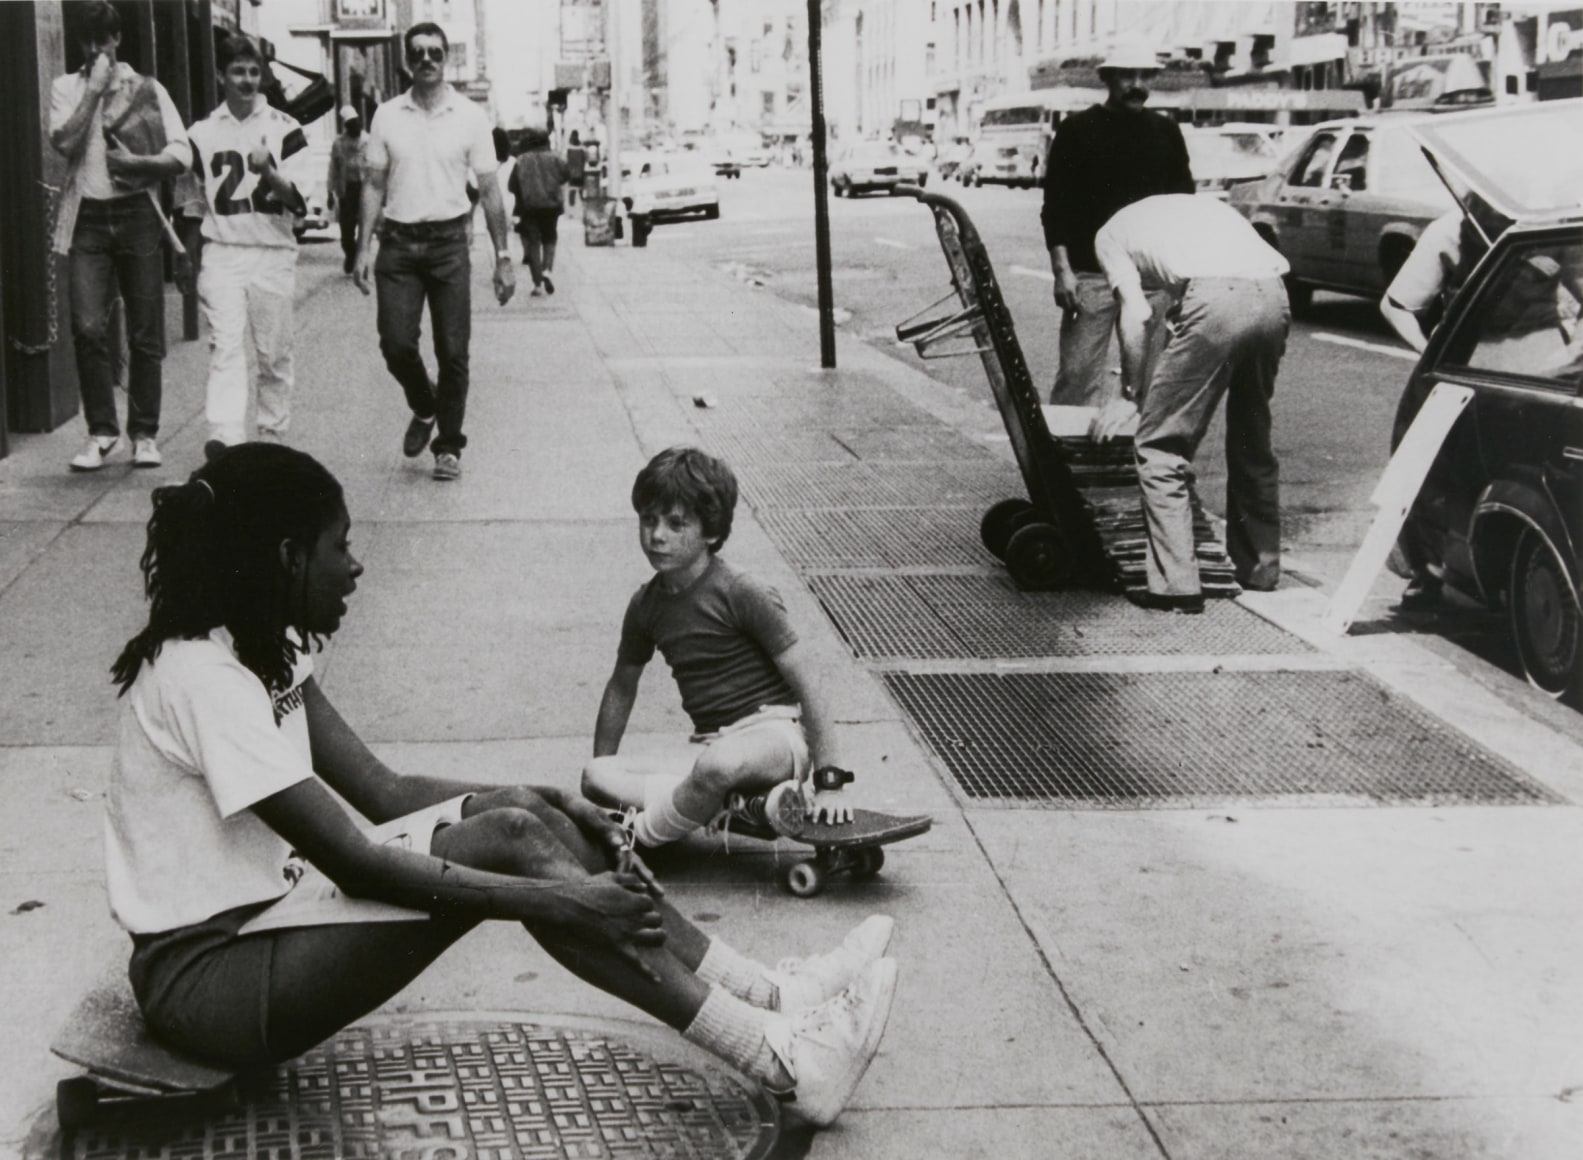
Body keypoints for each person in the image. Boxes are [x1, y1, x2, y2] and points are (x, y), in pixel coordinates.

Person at [106, 442, 899, 1128]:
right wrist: (559, 898)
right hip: (209, 980)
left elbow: (383, 788)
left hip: (273, 924)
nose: (354, 565)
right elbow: (353, 858)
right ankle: (781, 1060)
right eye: (337, 546)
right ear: (285, 556)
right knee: (516, 845)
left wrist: (545, 795)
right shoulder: (201, 676)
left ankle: (765, 995)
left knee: (527, 814)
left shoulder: (261, 641)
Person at [582, 448, 857, 853]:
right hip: (709, 746)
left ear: (710, 531)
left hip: (773, 739)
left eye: (676, 524)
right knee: (594, 776)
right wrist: (605, 794)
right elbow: (622, 687)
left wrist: (829, 781)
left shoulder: (741, 591)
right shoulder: (645, 606)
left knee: (718, 766)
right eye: (648, 520)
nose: (657, 535)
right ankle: (748, 807)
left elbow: (808, 683)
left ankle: (636, 840)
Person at [1088, 194, 1291, 611]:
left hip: (1216, 299)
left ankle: (1175, 585)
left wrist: (1130, 395)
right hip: (1273, 296)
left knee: (1159, 446)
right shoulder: (1193, 207)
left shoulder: (1108, 234)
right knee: (1253, 436)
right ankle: (1260, 568)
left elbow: (1138, 313)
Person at [353, 21, 517, 483]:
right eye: (418, 53)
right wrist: (362, 249)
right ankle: (424, 404)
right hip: (399, 245)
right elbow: (373, 184)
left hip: (448, 245)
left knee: (452, 350)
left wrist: (503, 258)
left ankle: (448, 446)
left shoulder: (469, 117)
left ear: (446, 59)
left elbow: (489, 191)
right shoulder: (386, 115)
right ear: (407, 61)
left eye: (435, 53)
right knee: (396, 342)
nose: (426, 60)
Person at [49, 0, 189, 472]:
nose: (94, 49)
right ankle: (101, 431)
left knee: (147, 328)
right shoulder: (66, 87)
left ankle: (144, 433)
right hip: (87, 217)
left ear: (117, 39)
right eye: (87, 41)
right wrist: (92, 91)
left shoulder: (146, 89)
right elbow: (64, 143)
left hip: (137, 215)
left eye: (102, 39)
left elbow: (182, 153)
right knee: (87, 326)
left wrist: (141, 166)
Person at [1039, 42, 1193, 406]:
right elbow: (1056, 207)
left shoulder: (1166, 132)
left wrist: (1182, 277)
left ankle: (1135, 457)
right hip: (1091, 276)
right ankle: (1068, 459)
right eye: (1127, 76)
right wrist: (1062, 270)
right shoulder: (1077, 130)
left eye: (1144, 76)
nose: (1136, 85)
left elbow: (1182, 206)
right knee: (1077, 376)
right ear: (1108, 78)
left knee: (1148, 379)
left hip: (1151, 278)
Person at [185, 36, 308, 457]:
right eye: (238, 71)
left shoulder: (285, 128)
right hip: (223, 249)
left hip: (272, 250)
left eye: (254, 71)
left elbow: (299, 201)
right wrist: (189, 254)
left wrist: (268, 171)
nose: (247, 80)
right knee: (225, 344)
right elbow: (192, 200)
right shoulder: (200, 133)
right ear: (221, 75)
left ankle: (272, 435)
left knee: (273, 352)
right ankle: (226, 439)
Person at [507, 128, 569, 296]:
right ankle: (547, 270)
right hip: (551, 206)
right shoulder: (556, 158)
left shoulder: (521, 161)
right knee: (550, 238)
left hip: (529, 208)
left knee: (533, 243)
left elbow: (511, 186)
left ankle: (537, 285)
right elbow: (566, 175)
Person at [327, 104, 367, 276]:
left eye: (356, 123)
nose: (355, 127)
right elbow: (332, 169)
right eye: (351, 124)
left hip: (365, 189)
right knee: (347, 231)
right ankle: (350, 254)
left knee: (365, 226)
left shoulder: (368, 140)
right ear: (346, 126)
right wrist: (329, 192)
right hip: (347, 190)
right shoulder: (338, 143)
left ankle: (361, 260)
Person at [564, 129, 588, 213]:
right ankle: (583, 208)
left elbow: (565, 161)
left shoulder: (568, 147)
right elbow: (585, 159)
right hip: (581, 172)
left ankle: (571, 210)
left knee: (572, 192)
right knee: (581, 191)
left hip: (571, 173)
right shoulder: (582, 147)